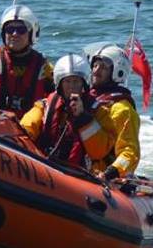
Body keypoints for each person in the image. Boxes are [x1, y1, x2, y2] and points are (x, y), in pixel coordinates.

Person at [20, 53, 113, 169]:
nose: (71, 87)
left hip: (80, 174)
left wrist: (82, 118)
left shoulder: (98, 110)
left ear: (84, 84)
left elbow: (100, 152)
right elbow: (27, 127)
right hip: (46, 167)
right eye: (67, 82)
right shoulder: (45, 106)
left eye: (76, 81)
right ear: (59, 84)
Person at [0, 4, 54, 119]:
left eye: (21, 30)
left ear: (32, 33)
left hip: (28, 131)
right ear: (3, 33)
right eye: (10, 29)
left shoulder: (45, 69)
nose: (15, 34)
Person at [83, 42, 141, 180]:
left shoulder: (122, 109)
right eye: (95, 65)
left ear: (117, 72)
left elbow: (129, 152)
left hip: (101, 175)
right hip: (79, 166)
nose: (96, 71)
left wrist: (111, 172)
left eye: (103, 67)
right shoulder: (84, 99)